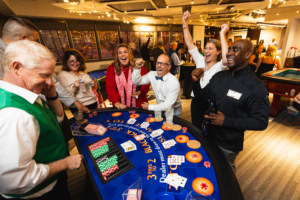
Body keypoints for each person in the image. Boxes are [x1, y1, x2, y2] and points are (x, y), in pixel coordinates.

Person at [0, 40, 83, 199]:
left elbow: (58, 118)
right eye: (43, 75)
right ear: (17, 67)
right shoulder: (14, 114)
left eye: (50, 75)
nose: (49, 82)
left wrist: (52, 95)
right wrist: (65, 163)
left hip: (50, 181)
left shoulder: (25, 93)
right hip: (40, 193)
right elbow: (15, 181)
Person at [191, 39, 270, 171]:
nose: (229, 53)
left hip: (227, 144)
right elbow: (203, 98)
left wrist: (226, 121)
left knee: (224, 177)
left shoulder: (256, 86)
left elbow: (261, 122)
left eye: (236, 49)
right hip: (207, 135)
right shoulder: (219, 76)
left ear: (248, 54)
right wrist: (195, 82)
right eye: (229, 49)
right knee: (205, 170)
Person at [0, 17, 90, 114]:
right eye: (35, 40)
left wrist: (75, 103)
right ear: (23, 39)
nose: (36, 44)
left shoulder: (27, 53)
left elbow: (52, 83)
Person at [182, 10, 229, 130]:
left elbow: (226, 58)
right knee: (196, 127)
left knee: (209, 129)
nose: (206, 51)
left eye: (210, 49)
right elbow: (189, 42)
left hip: (211, 103)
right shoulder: (200, 60)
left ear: (218, 52)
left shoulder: (221, 66)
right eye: (206, 48)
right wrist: (184, 22)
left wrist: (222, 34)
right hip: (196, 101)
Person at [106, 43, 149, 109]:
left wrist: (141, 91)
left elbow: (146, 80)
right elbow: (110, 87)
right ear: (117, 56)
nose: (123, 54)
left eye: (125, 52)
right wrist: (116, 102)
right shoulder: (112, 68)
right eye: (120, 53)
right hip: (120, 104)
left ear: (129, 54)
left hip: (138, 101)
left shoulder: (137, 66)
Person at [57, 49, 98, 114]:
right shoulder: (62, 75)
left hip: (93, 102)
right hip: (79, 106)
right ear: (66, 61)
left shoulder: (83, 72)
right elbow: (65, 96)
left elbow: (93, 89)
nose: (75, 63)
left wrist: (94, 85)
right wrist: (74, 87)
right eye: (72, 61)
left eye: (77, 61)